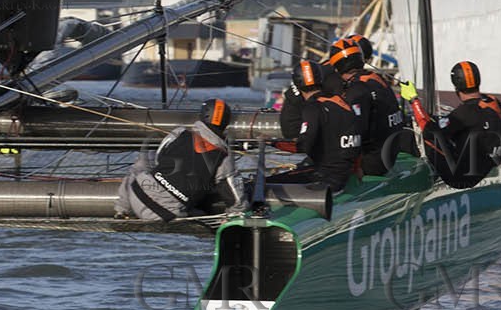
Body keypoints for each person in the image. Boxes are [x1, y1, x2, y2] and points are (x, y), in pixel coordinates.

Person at [115, 98, 243, 221]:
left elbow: (159, 158)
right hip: (164, 214)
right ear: (226, 123)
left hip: (136, 194)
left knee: (142, 162)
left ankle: (122, 211)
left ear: (202, 116)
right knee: (201, 209)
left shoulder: (179, 133)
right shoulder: (223, 157)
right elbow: (234, 196)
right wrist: (237, 212)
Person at [400, 61, 501, 189]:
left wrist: (414, 100)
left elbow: (429, 130)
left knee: (417, 135)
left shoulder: (464, 113)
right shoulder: (493, 101)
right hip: (488, 165)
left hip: (461, 178)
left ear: (456, 87)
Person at [272, 59, 363, 192]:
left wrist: (271, 143)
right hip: (346, 173)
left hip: (325, 177)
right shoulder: (341, 102)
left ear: (297, 85)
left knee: (261, 183)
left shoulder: (312, 108)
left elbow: (303, 146)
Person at [328, 39, 406, 176]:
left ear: (337, 67)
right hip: (390, 152)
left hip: (373, 162)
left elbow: (356, 132)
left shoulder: (356, 90)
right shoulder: (376, 78)